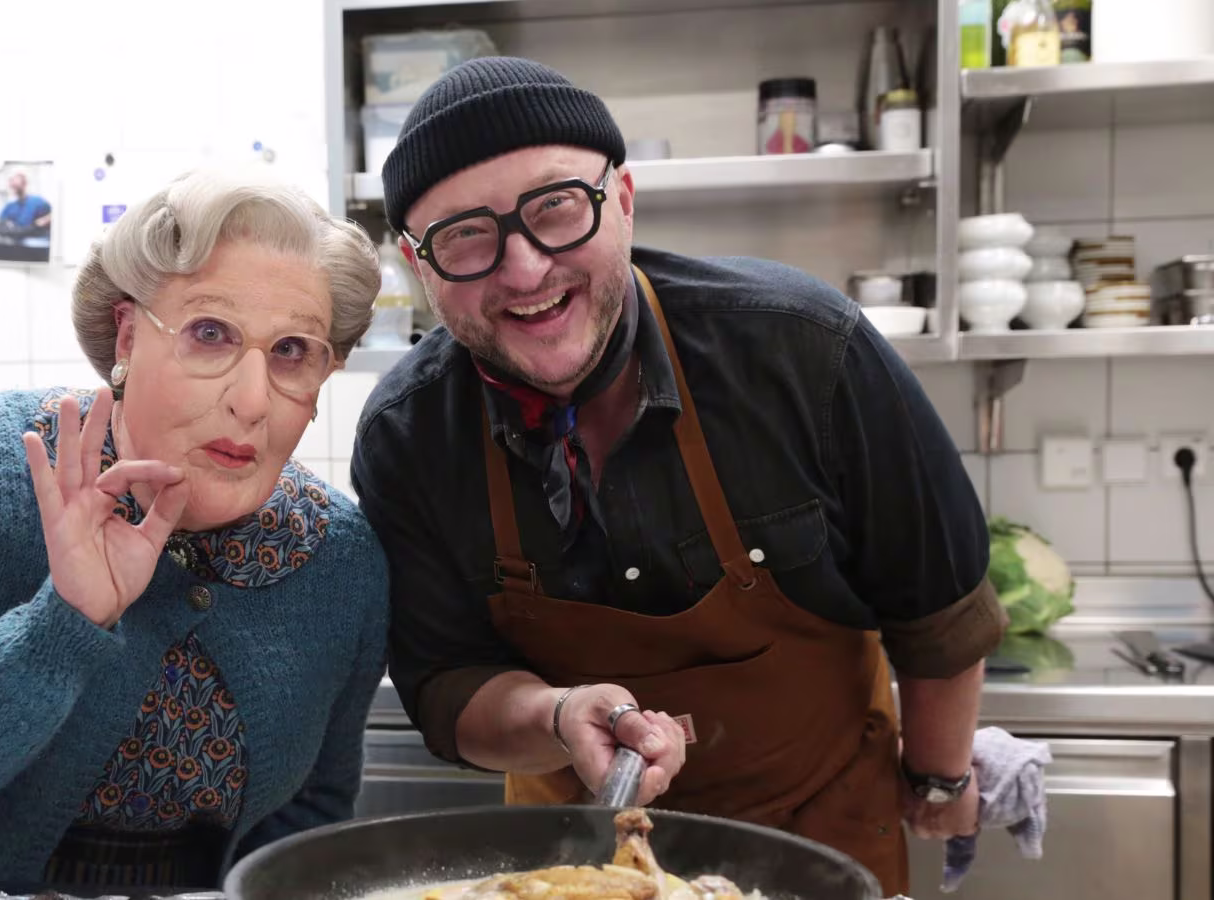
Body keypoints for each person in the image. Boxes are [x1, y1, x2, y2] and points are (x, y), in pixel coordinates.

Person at [350, 57, 1004, 896]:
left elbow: (938, 609)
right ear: (418, 265)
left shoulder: (804, 350)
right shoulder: (410, 437)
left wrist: (942, 779)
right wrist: (554, 716)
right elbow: (448, 687)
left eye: (556, 208)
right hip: (568, 863)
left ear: (621, 200)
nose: (523, 270)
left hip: (819, 840)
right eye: (464, 236)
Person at [0, 167, 389, 893]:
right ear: (129, 335)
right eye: (209, 334)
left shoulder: (340, 558)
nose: (254, 401)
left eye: (293, 351)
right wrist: (63, 622)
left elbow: (312, 819)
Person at [0, 171, 53, 238]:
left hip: (36, 243)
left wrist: (40, 223)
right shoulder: (10, 206)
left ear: (25, 184)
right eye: (12, 185)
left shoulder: (38, 202)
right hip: (16, 243)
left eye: (16, 185)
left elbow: (50, 218)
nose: (13, 187)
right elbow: (1, 228)